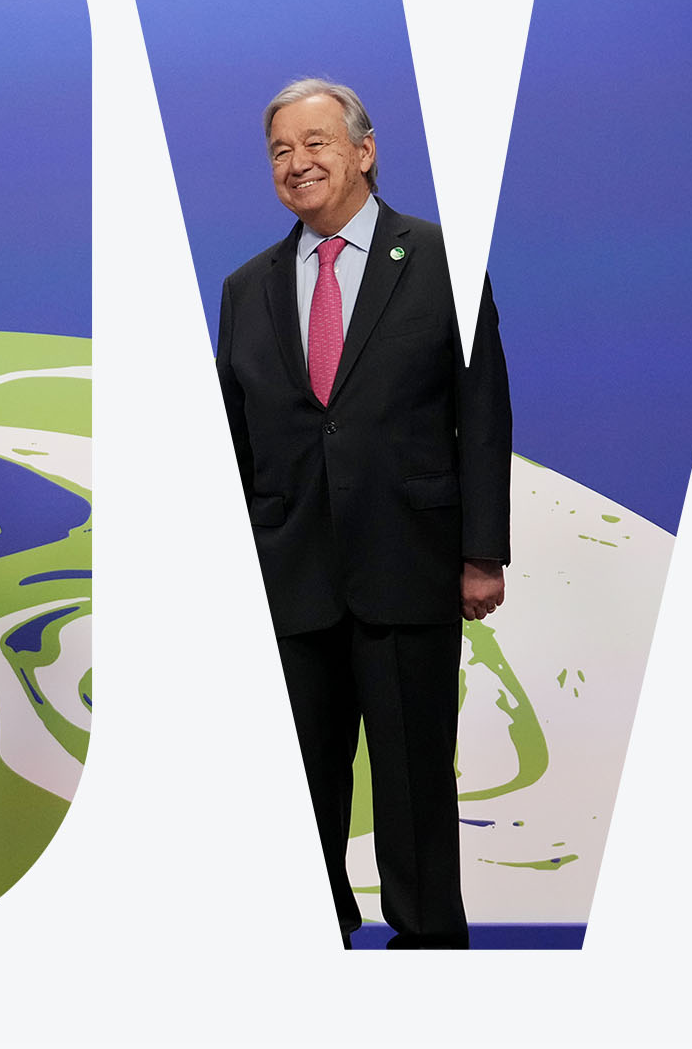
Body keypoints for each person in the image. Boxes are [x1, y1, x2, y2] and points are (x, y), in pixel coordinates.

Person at [215, 78, 512, 949]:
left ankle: (426, 947)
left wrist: (481, 553)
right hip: (289, 574)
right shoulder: (246, 287)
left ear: (364, 150)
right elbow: (234, 436)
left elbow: (483, 414)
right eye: (279, 150)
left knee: (415, 783)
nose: (297, 164)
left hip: (409, 564)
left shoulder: (441, 262)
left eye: (315, 143)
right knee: (298, 787)